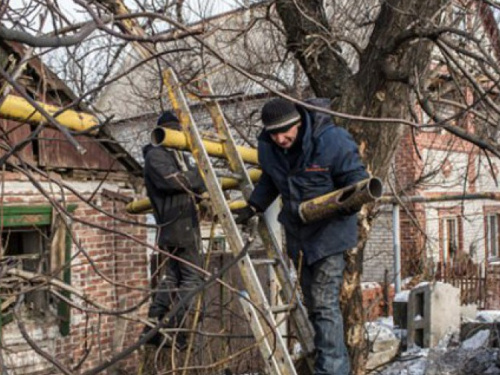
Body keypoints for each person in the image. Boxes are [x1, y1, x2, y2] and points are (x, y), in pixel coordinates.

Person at [234, 98, 368, 374]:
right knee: (313, 304)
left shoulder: (332, 142)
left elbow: (357, 182)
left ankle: (331, 370)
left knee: (323, 302)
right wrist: (254, 205)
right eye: (274, 134)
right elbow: (271, 180)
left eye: (286, 132)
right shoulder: (270, 149)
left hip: (330, 235)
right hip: (299, 237)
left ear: (298, 122)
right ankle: (327, 363)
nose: (281, 139)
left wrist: (349, 202)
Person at [141, 111, 206, 350]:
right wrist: (201, 176)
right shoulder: (157, 155)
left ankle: (153, 328)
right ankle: (172, 329)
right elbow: (175, 181)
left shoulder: (176, 155)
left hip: (181, 223)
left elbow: (190, 184)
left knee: (172, 278)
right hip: (177, 225)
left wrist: (195, 179)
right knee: (192, 277)